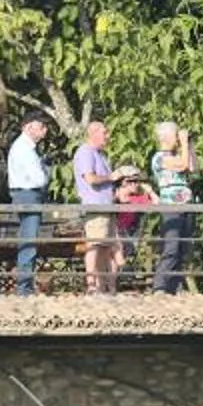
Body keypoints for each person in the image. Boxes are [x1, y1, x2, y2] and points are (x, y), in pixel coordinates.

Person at [148, 120, 198, 294]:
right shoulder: (159, 158)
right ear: (167, 137)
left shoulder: (178, 155)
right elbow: (183, 165)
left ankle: (175, 285)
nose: (178, 138)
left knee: (183, 248)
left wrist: (189, 146)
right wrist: (183, 142)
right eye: (176, 135)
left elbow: (192, 168)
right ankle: (160, 285)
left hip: (186, 206)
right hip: (171, 207)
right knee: (172, 246)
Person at [6, 112, 52, 294]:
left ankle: (25, 285)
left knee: (28, 240)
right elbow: (39, 179)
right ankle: (24, 288)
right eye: (41, 127)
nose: (44, 130)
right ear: (28, 127)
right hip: (28, 196)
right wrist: (46, 171)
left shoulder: (23, 147)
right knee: (29, 241)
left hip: (22, 195)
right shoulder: (25, 149)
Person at [73, 118, 120, 294]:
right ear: (93, 133)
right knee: (95, 245)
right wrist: (111, 177)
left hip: (106, 206)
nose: (108, 136)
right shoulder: (85, 152)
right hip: (95, 206)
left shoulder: (101, 155)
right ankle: (92, 285)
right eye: (105, 133)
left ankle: (102, 286)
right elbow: (91, 179)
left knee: (105, 248)